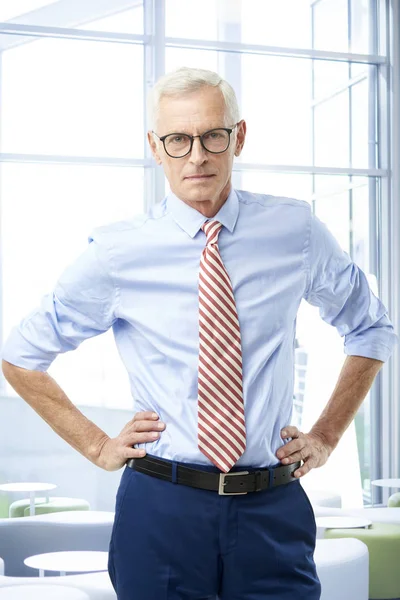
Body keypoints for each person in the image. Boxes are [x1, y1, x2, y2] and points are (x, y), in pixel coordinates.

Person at [1, 66, 398, 600]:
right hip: (161, 507)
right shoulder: (118, 253)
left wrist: (326, 435)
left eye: (213, 135)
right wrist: (96, 444)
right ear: (155, 147)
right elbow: (22, 356)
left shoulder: (295, 231)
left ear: (238, 137)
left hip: (272, 507)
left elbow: (370, 326)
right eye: (178, 139)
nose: (197, 156)